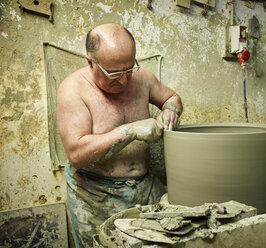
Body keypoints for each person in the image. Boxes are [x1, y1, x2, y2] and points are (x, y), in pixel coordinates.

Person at [56, 23, 183, 247]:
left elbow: (171, 98)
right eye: (114, 73)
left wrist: (170, 111)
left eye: (128, 69)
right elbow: (76, 154)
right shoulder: (73, 89)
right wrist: (129, 130)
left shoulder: (142, 77)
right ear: (90, 62)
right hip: (95, 193)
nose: (124, 80)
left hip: (146, 187)